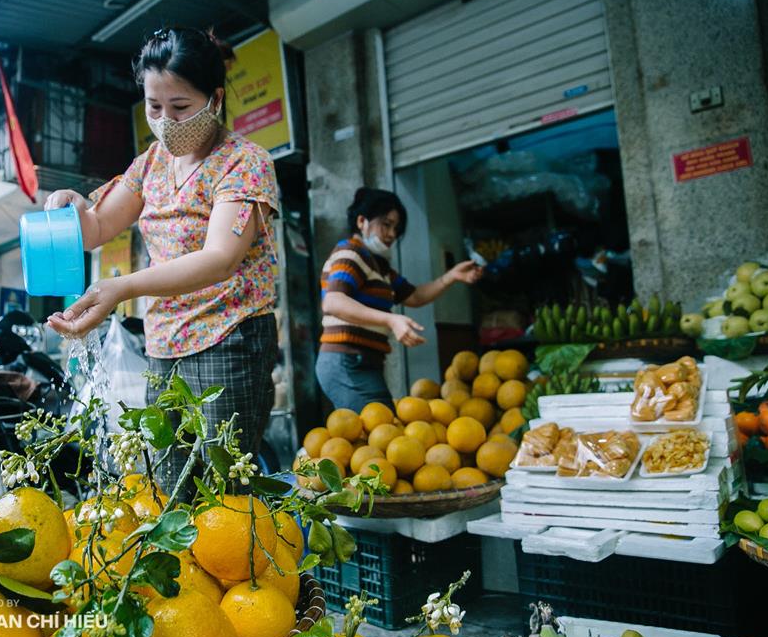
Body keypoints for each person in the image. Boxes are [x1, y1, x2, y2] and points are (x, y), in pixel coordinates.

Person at [45, 27, 279, 488]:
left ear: (214, 98)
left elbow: (220, 258)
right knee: (171, 488)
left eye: (180, 107)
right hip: (164, 344)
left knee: (221, 493)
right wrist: (71, 203)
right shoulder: (151, 164)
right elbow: (96, 228)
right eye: (155, 107)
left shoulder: (244, 162)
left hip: (228, 338)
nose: (166, 121)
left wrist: (124, 287)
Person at [316, 188, 482, 412]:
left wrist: (451, 276)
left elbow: (414, 296)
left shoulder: (379, 266)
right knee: (376, 433)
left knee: (381, 430)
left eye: (396, 228)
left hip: (365, 362)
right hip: (346, 362)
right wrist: (392, 320)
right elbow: (333, 301)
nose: (392, 234)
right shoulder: (351, 253)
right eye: (386, 224)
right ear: (362, 221)